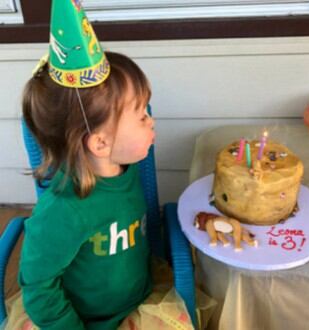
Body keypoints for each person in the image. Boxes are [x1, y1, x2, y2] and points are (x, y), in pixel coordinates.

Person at [4, 51, 194, 330]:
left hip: (140, 300)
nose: (151, 120)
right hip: (84, 321)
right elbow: (38, 284)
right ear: (101, 144)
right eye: (141, 116)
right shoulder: (63, 210)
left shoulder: (127, 170)